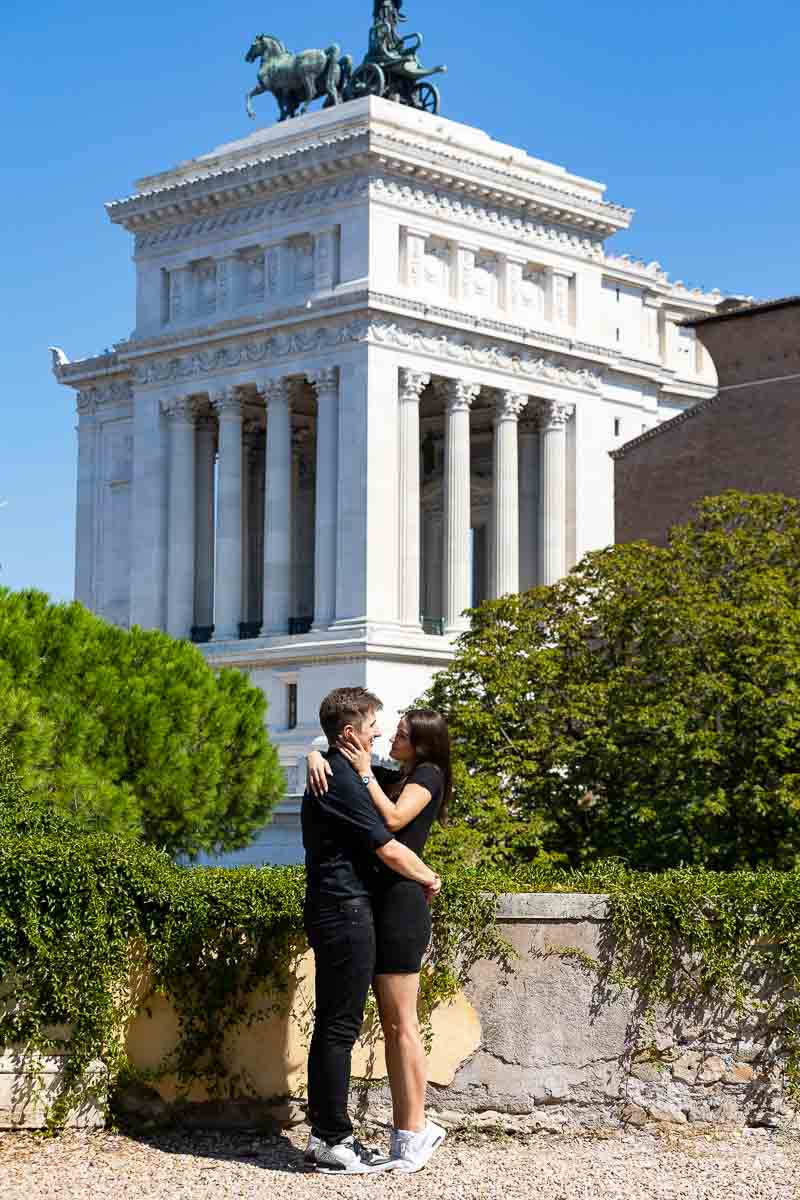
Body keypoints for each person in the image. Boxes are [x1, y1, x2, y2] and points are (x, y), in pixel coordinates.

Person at [301, 687, 442, 1174]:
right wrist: (429, 875)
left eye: (395, 731)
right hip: (346, 908)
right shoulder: (345, 777)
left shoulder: (395, 775)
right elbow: (387, 847)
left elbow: (393, 815)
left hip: (359, 907)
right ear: (350, 734)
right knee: (340, 1026)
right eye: (376, 726)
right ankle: (333, 1138)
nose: (381, 734)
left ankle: (364, 1134)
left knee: (356, 1024)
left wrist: (317, 753)